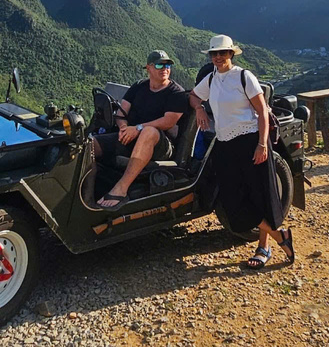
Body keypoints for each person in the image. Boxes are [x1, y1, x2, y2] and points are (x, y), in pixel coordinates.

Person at [190, 35, 294, 268]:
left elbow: (262, 112)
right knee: (232, 201)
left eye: (223, 53)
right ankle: (281, 236)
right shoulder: (211, 79)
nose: (218, 57)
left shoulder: (244, 77)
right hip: (225, 143)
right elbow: (194, 95)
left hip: (250, 142)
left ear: (231, 54)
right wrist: (199, 109)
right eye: (214, 54)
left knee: (260, 194)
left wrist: (262, 144)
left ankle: (264, 247)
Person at [94, 50, 188, 209]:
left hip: (161, 145)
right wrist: (124, 129)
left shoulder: (176, 92)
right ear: (149, 68)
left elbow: (168, 122)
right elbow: (121, 113)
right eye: (159, 65)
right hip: (132, 137)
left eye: (168, 65)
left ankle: (121, 188)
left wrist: (137, 128)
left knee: (148, 131)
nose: (164, 68)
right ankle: (88, 187)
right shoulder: (139, 86)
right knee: (91, 144)